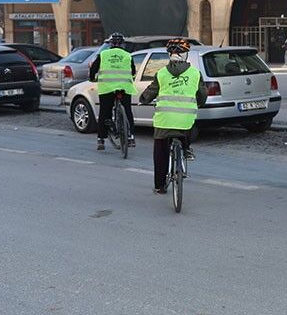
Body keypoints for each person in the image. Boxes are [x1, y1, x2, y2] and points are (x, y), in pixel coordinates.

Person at [139, 38, 208, 194]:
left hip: (164, 121)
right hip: (185, 121)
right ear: (185, 55)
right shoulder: (195, 73)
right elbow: (203, 94)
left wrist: (143, 100)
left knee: (160, 154)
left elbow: (151, 92)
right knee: (189, 126)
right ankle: (186, 149)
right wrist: (199, 103)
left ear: (169, 55)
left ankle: (159, 186)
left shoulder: (161, 73)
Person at [89, 32, 136, 151]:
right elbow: (133, 71)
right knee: (128, 111)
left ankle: (101, 139)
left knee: (104, 112)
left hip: (107, 87)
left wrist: (91, 78)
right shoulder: (127, 55)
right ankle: (131, 136)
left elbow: (93, 69)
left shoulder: (103, 54)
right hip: (125, 87)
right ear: (122, 45)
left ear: (111, 44)